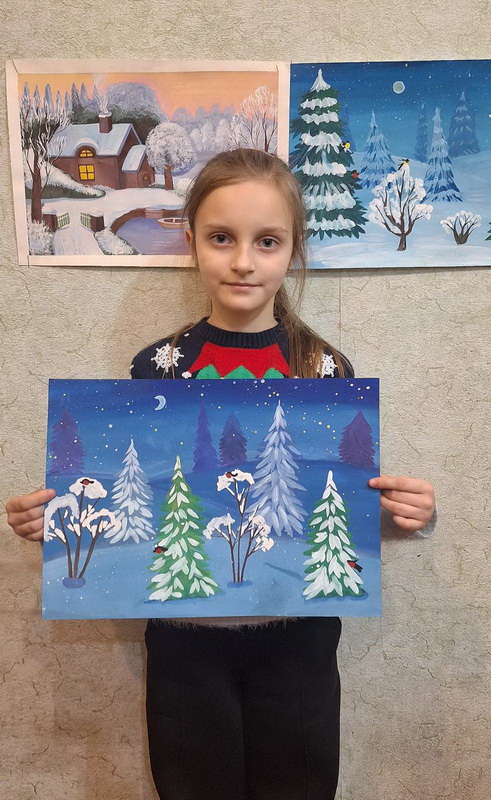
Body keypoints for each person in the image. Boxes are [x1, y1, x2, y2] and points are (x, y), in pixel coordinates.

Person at [6, 148, 436, 800]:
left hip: (299, 639)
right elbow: (137, 493)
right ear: (191, 241)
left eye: (266, 241)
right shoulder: (157, 366)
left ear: (293, 249)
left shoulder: (325, 371)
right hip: (183, 643)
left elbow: (339, 499)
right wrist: (58, 520)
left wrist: (404, 512)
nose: (242, 261)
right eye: (221, 238)